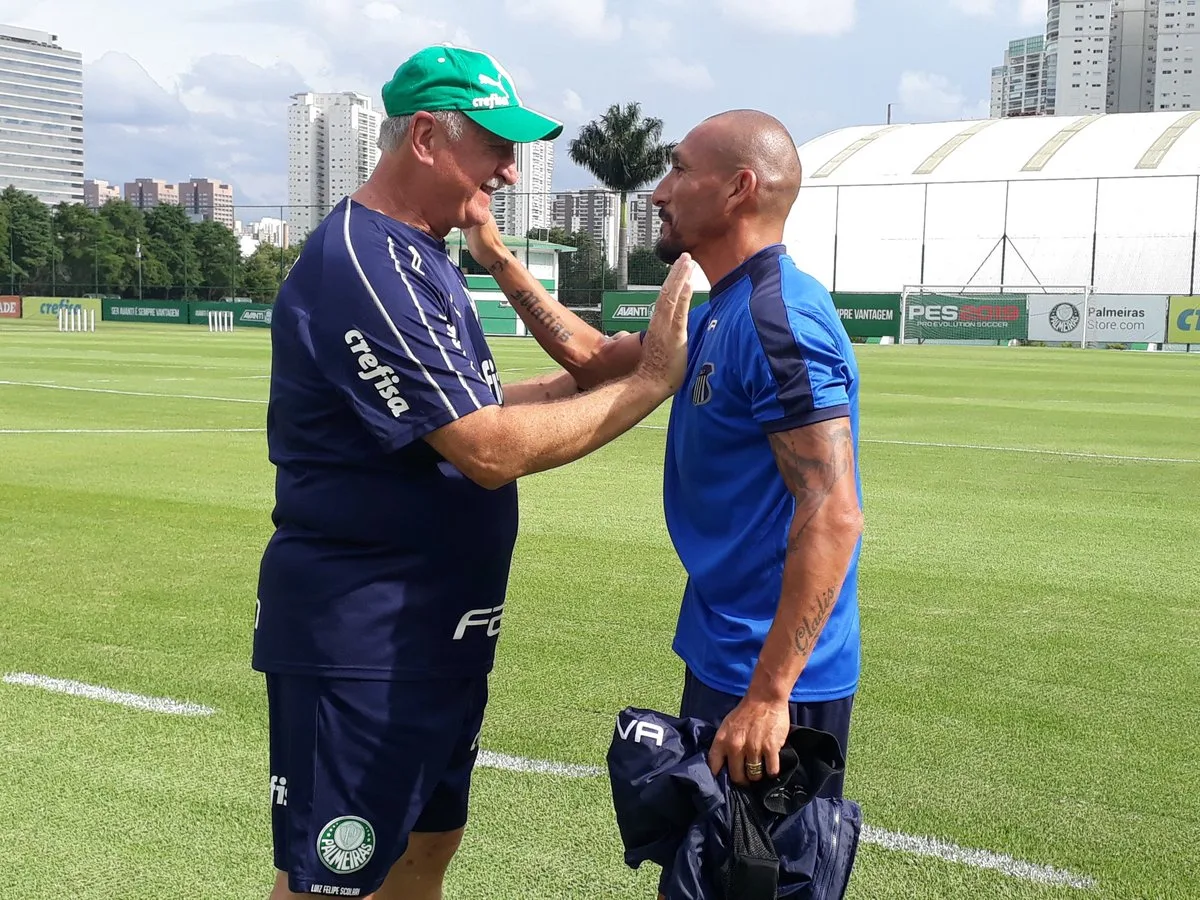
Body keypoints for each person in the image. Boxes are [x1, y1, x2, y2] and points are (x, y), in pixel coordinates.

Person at [251, 44, 695, 900]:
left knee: (430, 847)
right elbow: (486, 449)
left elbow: (484, 398)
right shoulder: (363, 262)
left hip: (436, 634)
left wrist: (578, 364)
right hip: (365, 640)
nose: (510, 165)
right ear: (425, 137)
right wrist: (648, 383)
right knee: (330, 880)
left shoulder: (423, 256)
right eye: (494, 143)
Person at [468, 108, 864, 807]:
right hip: (727, 653)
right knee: (696, 874)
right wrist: (496, 256)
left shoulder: (780, 322)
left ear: (739, 187)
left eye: (679, 169)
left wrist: (772, 692)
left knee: (747, 879)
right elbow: (592, 360)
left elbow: (832, 515)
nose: (658, 191)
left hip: (772, 677)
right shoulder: (721, 308)